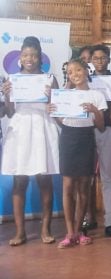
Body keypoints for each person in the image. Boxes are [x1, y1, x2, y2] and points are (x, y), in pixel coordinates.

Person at [1, 36, 60, 246]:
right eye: (26, 54)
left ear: (40, 57)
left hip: (43, 128)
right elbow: (8, 111)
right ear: (20, 56)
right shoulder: (12, 79)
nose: (30, 58)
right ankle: (20, 232)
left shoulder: (50, 78)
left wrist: (53, 96)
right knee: (19, 181)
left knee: (45, 181)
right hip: (20, 130)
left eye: (34, 55)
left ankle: (46, 228)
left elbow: (58, 108)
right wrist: (6, 96)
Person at [50, 58, 107, 248]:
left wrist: (94, 111)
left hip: (86, 139)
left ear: (86, 71)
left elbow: (100, 126)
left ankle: (80, 230)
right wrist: (55, 113)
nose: (74, 74)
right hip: (67, 138)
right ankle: (70, 233)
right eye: (70, 72)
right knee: (67, 187)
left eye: (78, 70)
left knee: (83, 188)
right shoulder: (65, 95)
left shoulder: (96, 95)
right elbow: (61, 122)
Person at [84, 44, 111, 238]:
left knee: (108, 177)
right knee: (84, 177)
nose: (99, 61)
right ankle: (85, 219)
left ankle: (110, 222)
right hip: (84, 131)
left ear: (109, 60)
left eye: (102, 58)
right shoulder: (84, 80)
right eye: (95, 58)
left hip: (108, 130)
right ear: (90, 61)